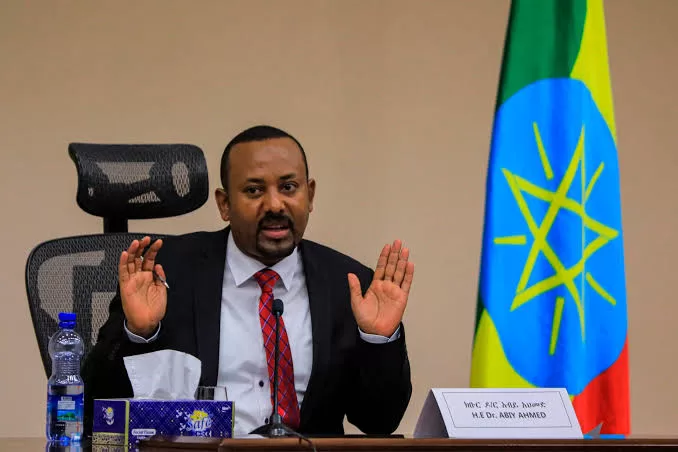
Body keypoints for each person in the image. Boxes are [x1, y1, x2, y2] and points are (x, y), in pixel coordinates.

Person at [82, 125, 414, 437]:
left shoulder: (348, 285)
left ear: (310, 195)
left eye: (288, 187)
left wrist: (377, 341)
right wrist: (138, 334)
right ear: (225, 204)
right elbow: (97, 407)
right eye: (254, 190)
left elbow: (379, 422)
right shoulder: (167, 274)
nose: (275, 205)